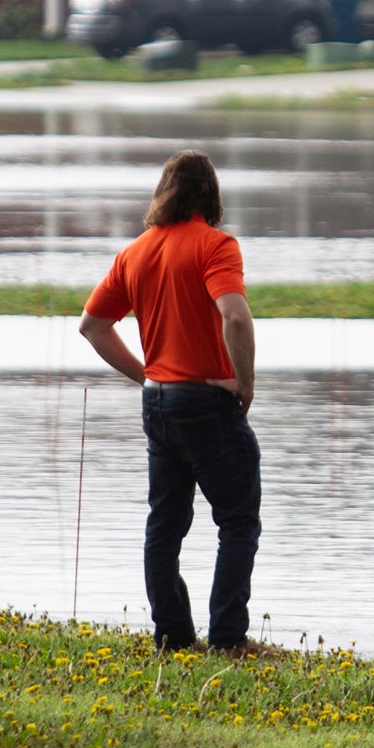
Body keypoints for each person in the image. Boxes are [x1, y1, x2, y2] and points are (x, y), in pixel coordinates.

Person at [79, 150, 262, 654]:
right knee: (239, 521)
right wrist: (244, 384)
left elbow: (92, 327)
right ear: (211, 195)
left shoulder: (135, 252)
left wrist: (148, 377)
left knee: (164, 525)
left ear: (164, 192)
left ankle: (173, 638)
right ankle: (228, 641)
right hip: (207, 402)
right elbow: (237, 317)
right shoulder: (215, 245)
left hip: (158, 404)